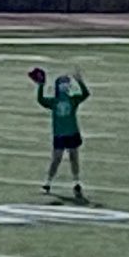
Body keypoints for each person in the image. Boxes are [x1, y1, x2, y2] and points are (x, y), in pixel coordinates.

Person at [36, 69, 89, 200]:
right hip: (59, 134)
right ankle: (48, 182)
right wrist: (41, 86)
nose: (65, 86)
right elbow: (41, 100)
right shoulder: (54, 101)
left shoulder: (73, 100)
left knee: (74, 157)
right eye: (63, 84)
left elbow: (86, 94)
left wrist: (80, 82)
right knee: (56, 159)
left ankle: (76, 182)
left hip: (72, 132)